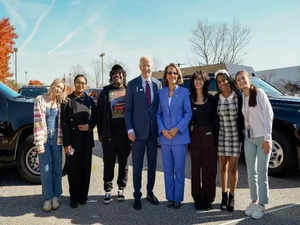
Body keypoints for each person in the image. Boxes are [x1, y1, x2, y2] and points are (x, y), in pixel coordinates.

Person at [125, 56, 162, 210]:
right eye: (144, 65)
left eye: (149, 65)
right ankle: (137, 195)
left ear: (152, 67)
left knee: (152, 165)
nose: (147, 68)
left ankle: (150, 192)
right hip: (137, 134)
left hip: (153, 134)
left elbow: (159, 109)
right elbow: (128, 110)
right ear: (140, 67)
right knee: (138, 166)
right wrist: (130, 129)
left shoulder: (157, 84)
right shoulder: (132, 85)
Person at [235, 70, 273, 219]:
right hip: (249, 139)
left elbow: (269, 115)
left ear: (249, 79)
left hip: (262, 138)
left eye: (243, 79)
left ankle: (262, 205)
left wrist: (267, 139)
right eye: (238, 80)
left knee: (262, 172)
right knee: (251, 172)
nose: (241, 82)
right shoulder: (243, 97)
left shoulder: (259, 93)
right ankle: (254, 201)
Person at [157, 63, 192, 209]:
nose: (172, 75)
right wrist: (163, 129)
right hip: (165, 138)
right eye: (169, 73)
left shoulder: (184, 92)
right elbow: (158, 113)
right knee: (167, 170)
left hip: (179, 137)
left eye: (175, 73)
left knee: (179, 170)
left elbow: (188, 113)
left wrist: (177, 129)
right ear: (166, 76)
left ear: (178, 76)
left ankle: (178, 198)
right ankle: (169, 197)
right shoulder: (161, 93)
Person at [61, 74, 97, 208]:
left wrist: (90, 126)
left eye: (83, 83)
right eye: (78, 82)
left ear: (85, 85)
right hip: (73, 141)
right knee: (73, 170)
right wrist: (67, 143)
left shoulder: (89, 101)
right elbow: (64, 123)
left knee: (85, 169)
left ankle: (83, 196)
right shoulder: (67, 100)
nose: (80, 85)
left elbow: (96, 117)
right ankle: (74, 197)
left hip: (87, 140)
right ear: (74, 84)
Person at [97, 64, 131, 204]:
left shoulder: (129, 91)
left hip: (125, 135)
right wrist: (100, 132)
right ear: (111, 76)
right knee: (109, 163)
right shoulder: (106, 91)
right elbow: (99, 113)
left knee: (124, 164)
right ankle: (107, 190)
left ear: (123, 76)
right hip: (109, 135)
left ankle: (121, 189)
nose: (118, 77)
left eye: (120, 74)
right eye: (115, 75)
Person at [33, 78, 66, 212]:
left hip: (57, 140)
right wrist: (39, 143)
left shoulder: (60, 102)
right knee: (46, 170)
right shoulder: (40, 100)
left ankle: (56, 196)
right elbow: (37, 123)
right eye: (57, 86)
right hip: (44, 140)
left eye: (61, 88)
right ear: (52, 85)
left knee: (57, 169)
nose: (58, 89)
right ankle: (47, 198)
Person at [214, 69, 244, 212]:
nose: (222, 83)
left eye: (224, 80)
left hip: (235, 137)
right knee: (222, 168)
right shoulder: (217, 99)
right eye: (219, 82)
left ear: (228, 79)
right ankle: (223, 195)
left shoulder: (238, 96)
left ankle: (232, 196)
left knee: (233, 169)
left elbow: (244, 116)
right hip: (221, 136)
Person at [189, 71, 217, 210]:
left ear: (205, 82)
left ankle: (208, 198)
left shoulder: (211, 99)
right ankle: (197, 197)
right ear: (193, 82)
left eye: (201, 79)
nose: (198, 82)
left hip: (209, 137)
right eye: (196, 79)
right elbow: (187, 119)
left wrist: (211, 131)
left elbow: (215, 120)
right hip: (194, 138)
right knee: (195, 169)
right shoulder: (189, 99)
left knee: (208, 169)